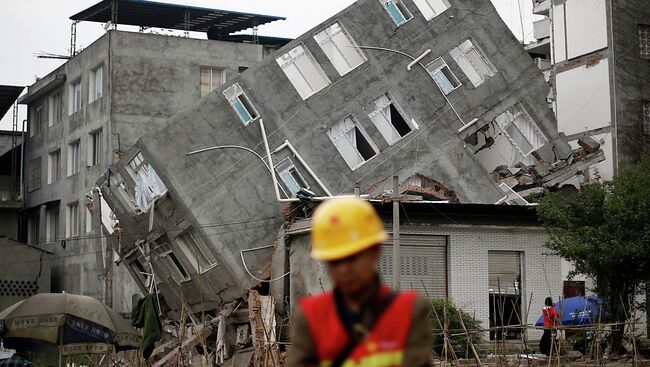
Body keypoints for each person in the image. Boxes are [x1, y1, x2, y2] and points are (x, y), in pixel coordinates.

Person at [287, 197, 433, 367]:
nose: (343, 269)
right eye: (335, 261)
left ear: (375, 251)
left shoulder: (409, 310)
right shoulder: (311, 316)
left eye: (352, 258)